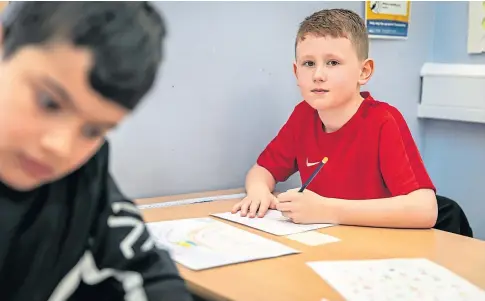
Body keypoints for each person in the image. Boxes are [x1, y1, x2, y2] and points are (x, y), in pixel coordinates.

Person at [0, 2, 193, 301]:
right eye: (49, 102)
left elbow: (146, 272)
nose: (60, 146)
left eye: (93, 131)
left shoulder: (85, 176)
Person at [232, 8, 438, 229]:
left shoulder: (384, 121)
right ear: (296, 73)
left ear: (364, 71)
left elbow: (425, 210)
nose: (318, 75)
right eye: (308, 64)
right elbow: (262, 170)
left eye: (333, 63)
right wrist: (259, 191)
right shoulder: (303, 115)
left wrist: (326, 210)